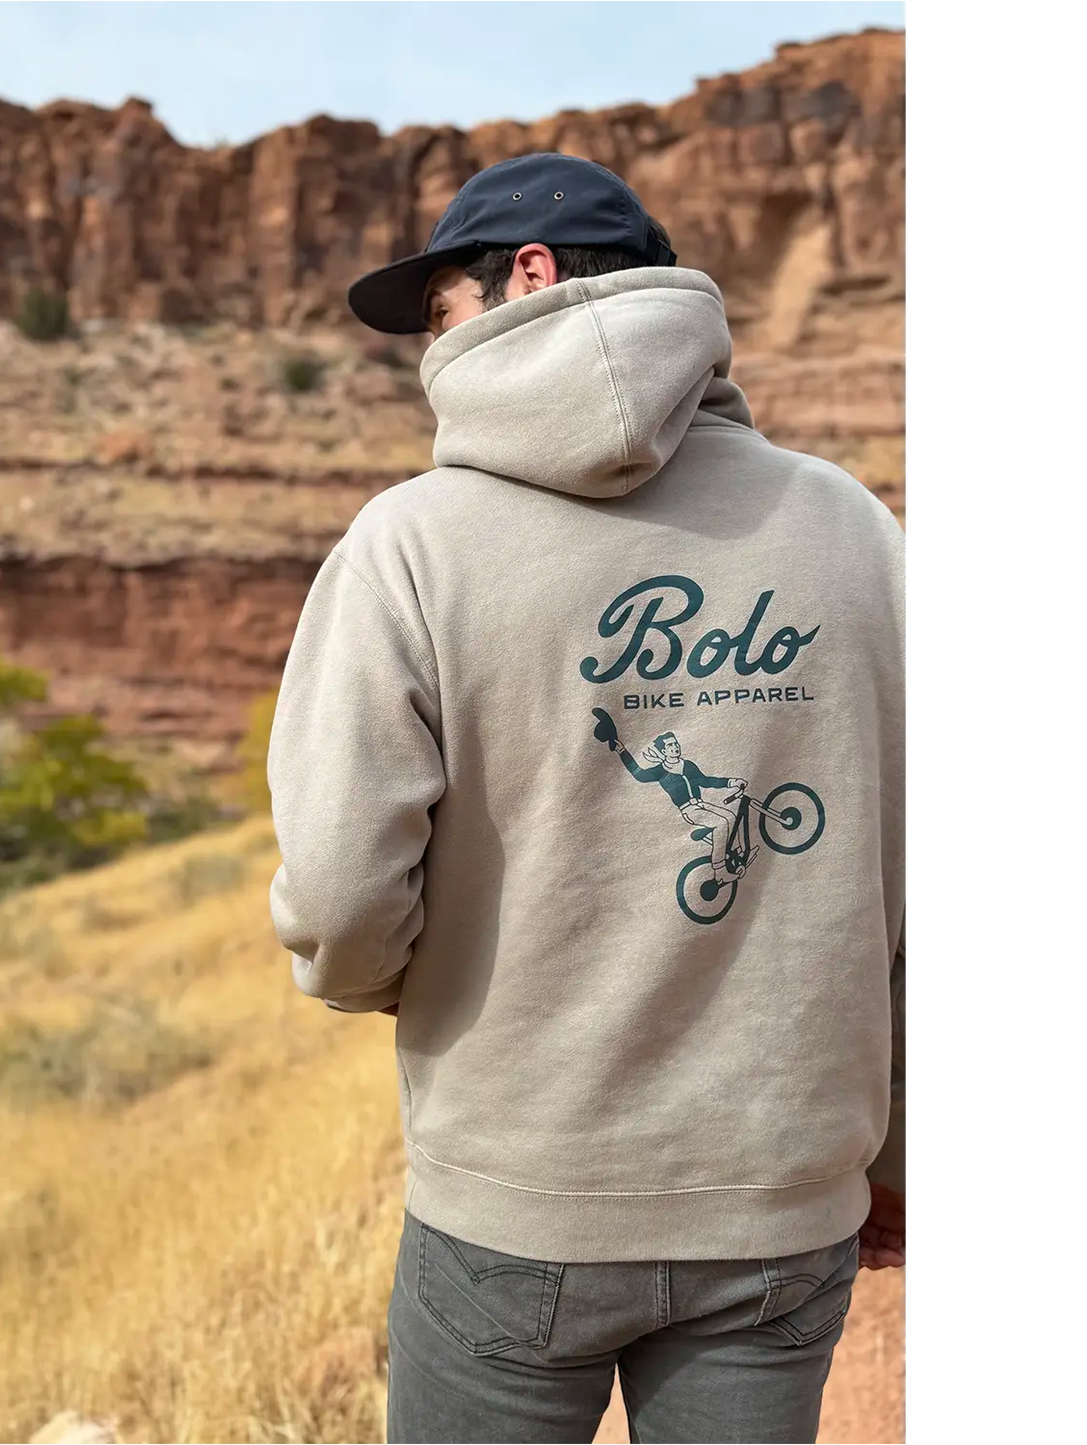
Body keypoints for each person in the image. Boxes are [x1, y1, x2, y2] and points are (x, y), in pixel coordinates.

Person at [266, 153, 906, 1445]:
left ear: (529, 278)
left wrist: (376, 975)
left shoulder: (409, 544)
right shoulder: (856, 532)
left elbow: (339, 895)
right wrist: (893, 1158)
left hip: (520, 1197)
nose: (426, 349)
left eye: (438, 311)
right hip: (778, 1204)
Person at [607, 725, 755, 886]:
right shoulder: (660, 771)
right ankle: (720, 872)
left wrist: (731, 782)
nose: (675, 747)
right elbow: (639, 774)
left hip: (703, 804)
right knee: (721, 824)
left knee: (731, 816)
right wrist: (622, 751)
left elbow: (705, 780)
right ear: (663, 751)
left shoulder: (688, 765)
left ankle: (738, 854)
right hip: (689, 810)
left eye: (675, 743)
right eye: (670, 745)